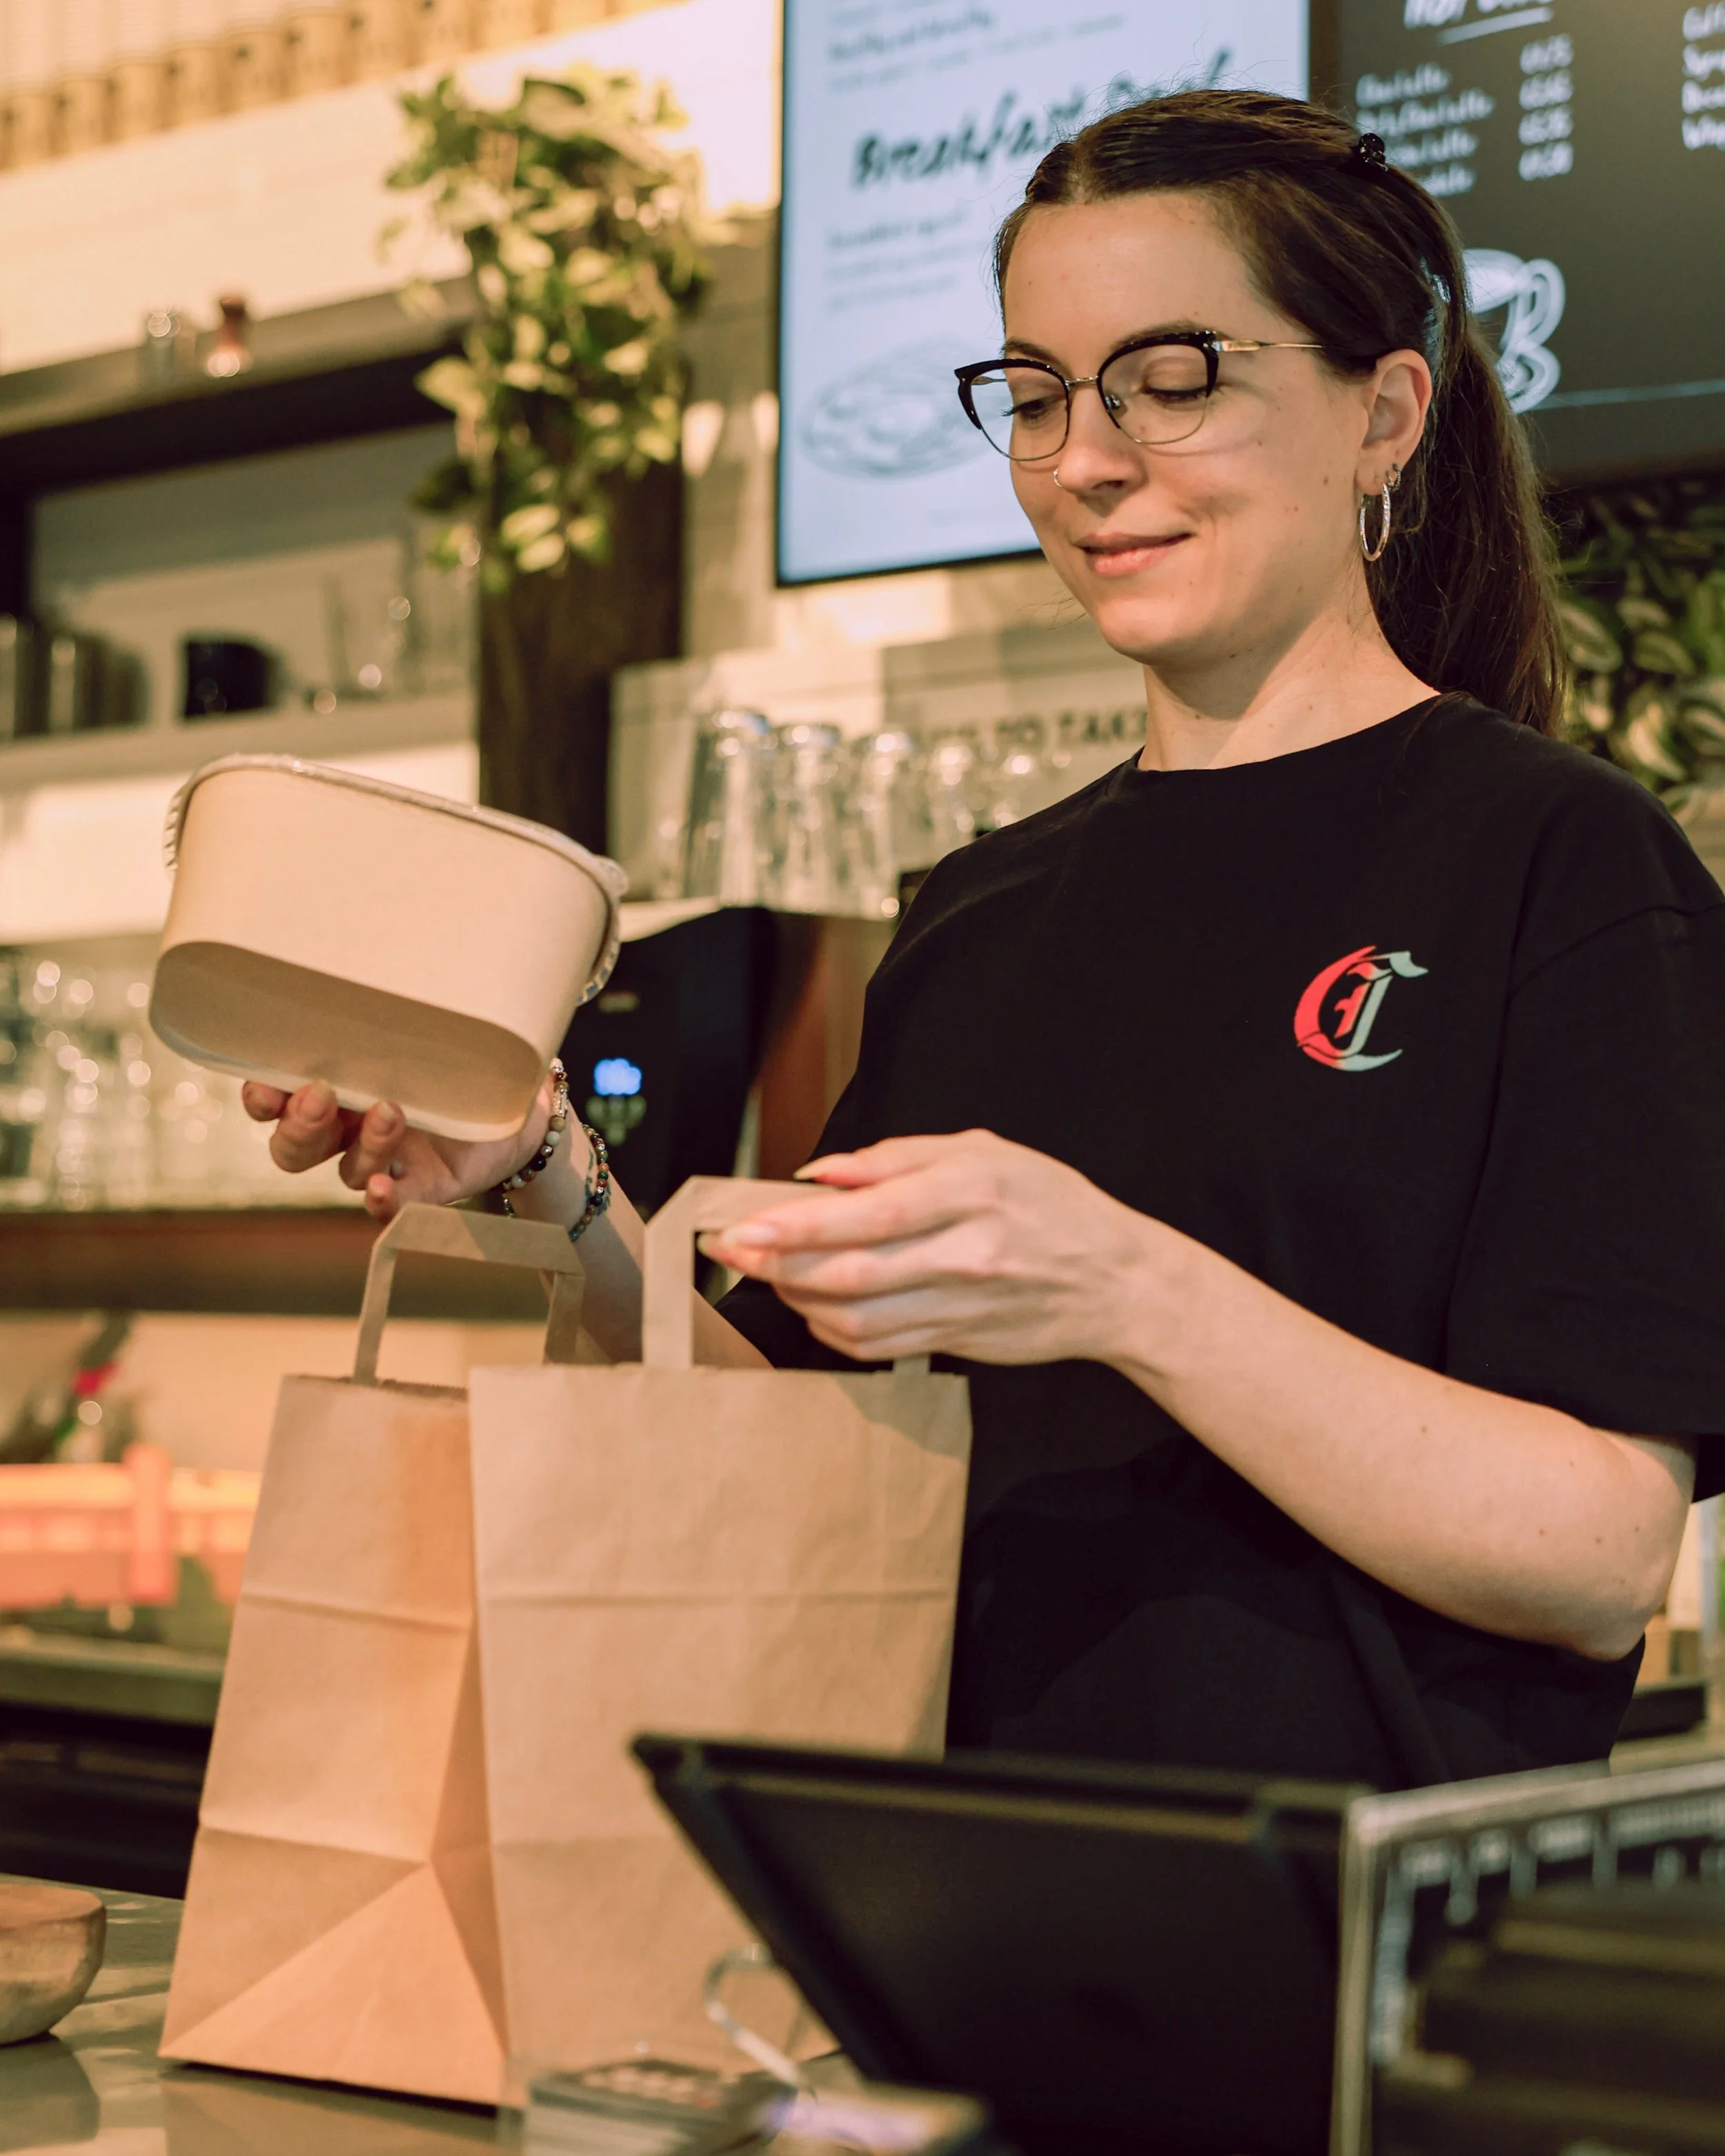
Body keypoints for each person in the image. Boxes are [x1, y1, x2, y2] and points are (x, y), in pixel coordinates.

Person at [246, 90, 1725, 1791]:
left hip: (1348, 1978)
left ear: (1383, 413)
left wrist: (1123, 1283)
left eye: (1174, 383)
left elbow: (1598, 1553)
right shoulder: (977, 911)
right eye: (1034, 394)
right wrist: (540, 1172)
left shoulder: (1552, 861)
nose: (1088, 458)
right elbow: (805, 1451)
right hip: (943, 1925)